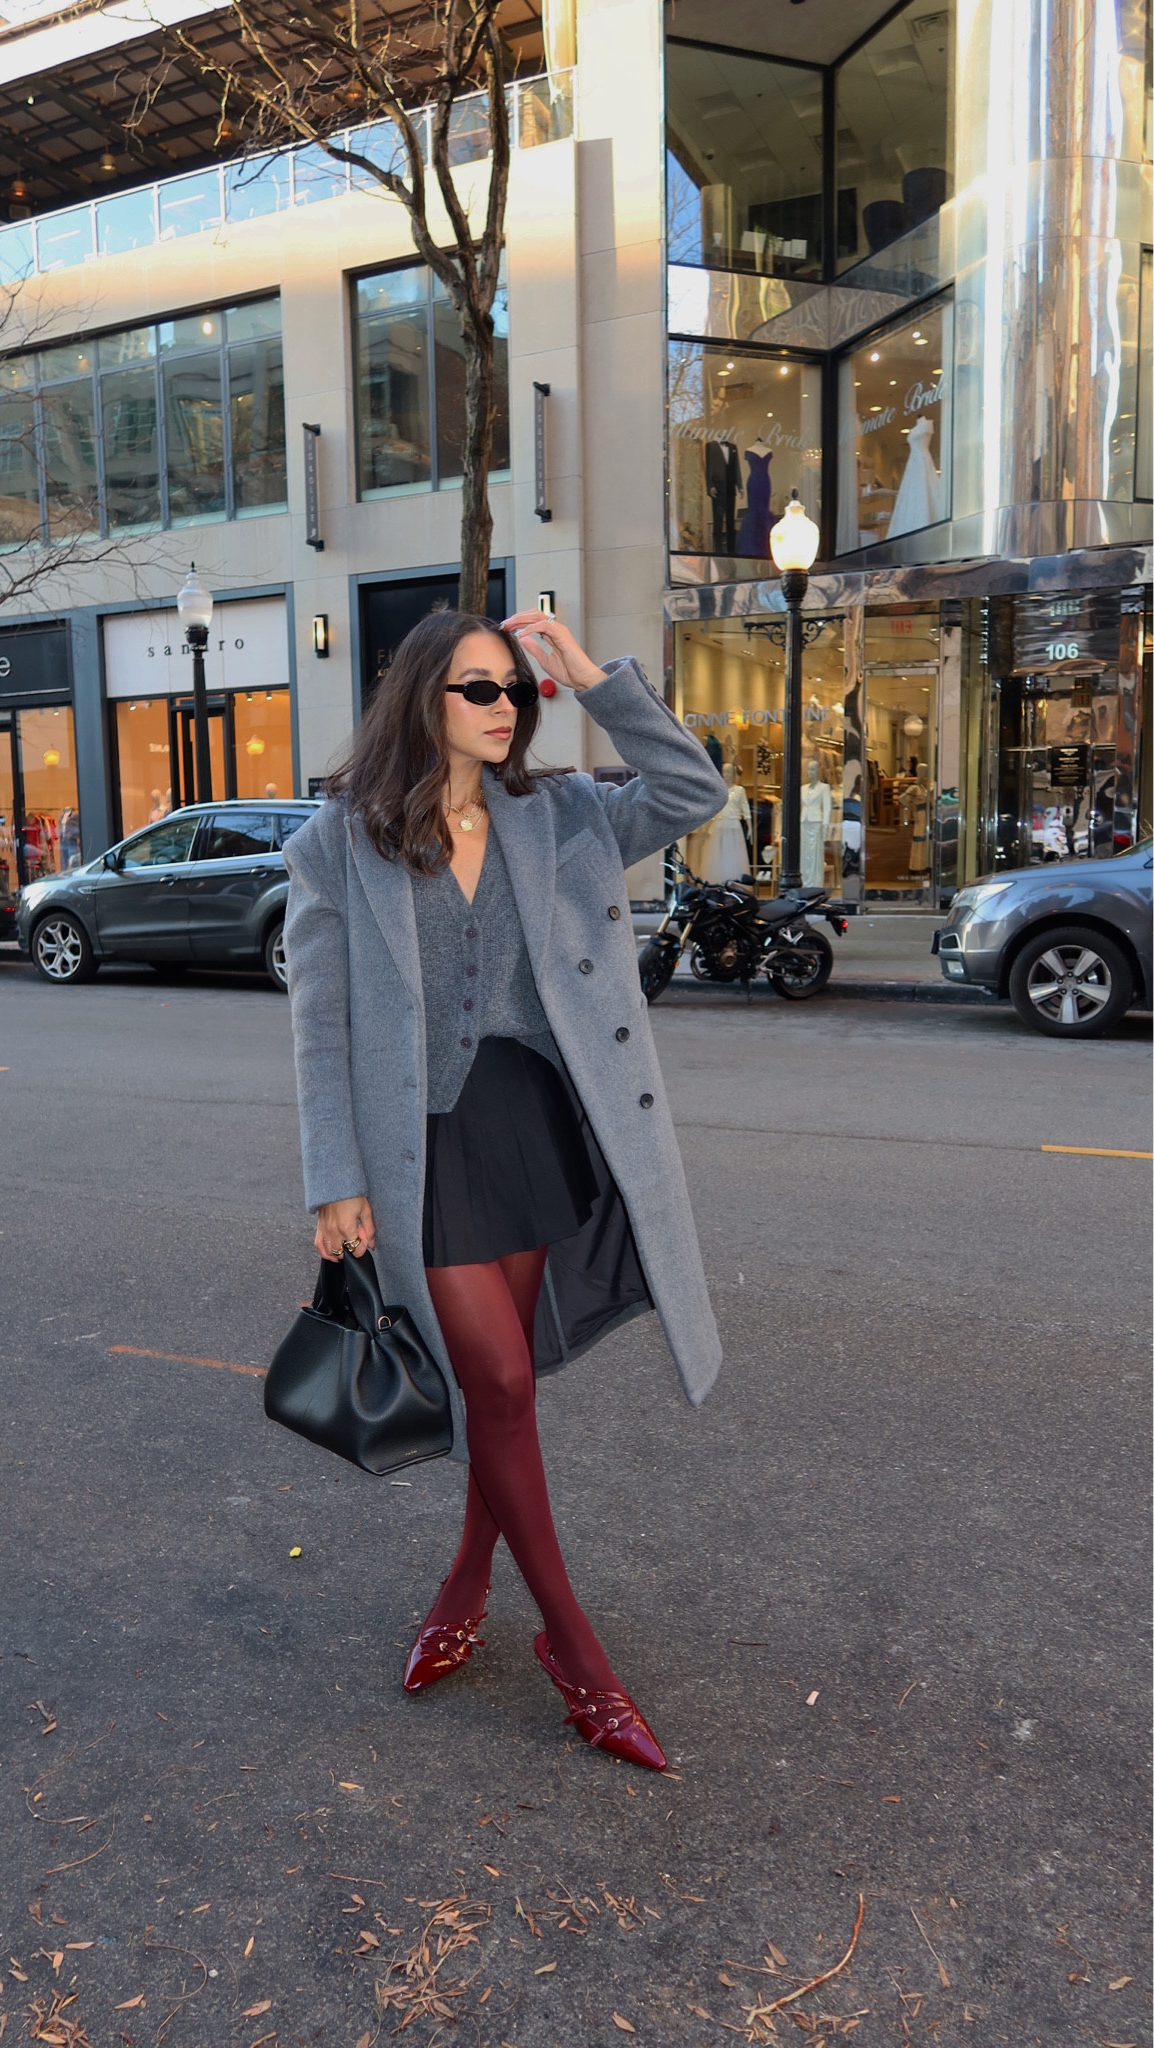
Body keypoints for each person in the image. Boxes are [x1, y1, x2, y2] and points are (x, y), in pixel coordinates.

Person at [282, 609, 727, 1770]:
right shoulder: (341, 839)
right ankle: (578, 1655)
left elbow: (688, 790)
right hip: (420, 1142)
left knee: (505, 1388)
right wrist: (331, 1175)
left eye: (515, 691)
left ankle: (466, 1578)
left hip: (528, 1120)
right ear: (422, 697)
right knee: (498, 1376)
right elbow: (318, 1020)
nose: (502, 705)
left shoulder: (560, 812)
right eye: (477, 687)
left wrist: (594, 680)